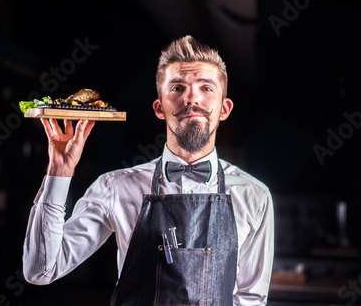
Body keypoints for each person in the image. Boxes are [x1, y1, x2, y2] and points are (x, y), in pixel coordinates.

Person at [22, 35, 274, 305]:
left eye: (206, 88)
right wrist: (58, 173)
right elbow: (40, 271)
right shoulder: (114, 187)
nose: (191, 98)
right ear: (159, 108)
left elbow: (250, 299)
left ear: (224, 109)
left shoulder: (254, 195)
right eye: (177, 88)